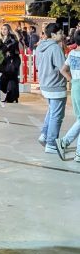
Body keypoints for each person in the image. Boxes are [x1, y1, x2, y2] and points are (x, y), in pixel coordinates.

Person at [35, 23, 67, 154]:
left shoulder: (40, 47)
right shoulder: (55, 48)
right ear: (53, 35)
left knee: (52, 111)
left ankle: (44, 135)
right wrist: (73, 80)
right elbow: (63, 68)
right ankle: (51, 143)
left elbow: (37, 66)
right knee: (57, 115)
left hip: (45, 84)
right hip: (56, 86)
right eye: (60, 33)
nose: (62, 35)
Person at [56, 30, 80, 163]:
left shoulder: (72, 53)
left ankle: (77, 153)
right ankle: (65, 142)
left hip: (76, 87)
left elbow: (63, 70)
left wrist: (72, 80)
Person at [0, 23, 21, 103]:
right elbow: (1, 51)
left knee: (12, 79)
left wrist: (6, 51)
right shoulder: (1, 39)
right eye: (2, 29)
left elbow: (12, 51)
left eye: (5, 29)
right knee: (4, 79)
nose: (3, 30)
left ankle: (12, 97)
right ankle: (9, 96)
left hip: (12, 61)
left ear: (8, 30)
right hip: (5, 61)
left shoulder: (12, 39)